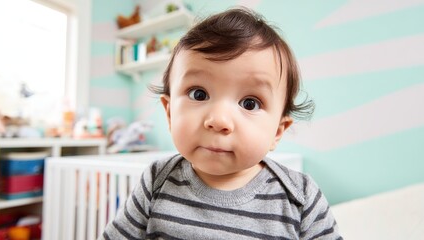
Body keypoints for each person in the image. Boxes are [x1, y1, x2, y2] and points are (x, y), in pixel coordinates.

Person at [100, 7, 342, 240]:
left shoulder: (300, 197)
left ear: (277, 132)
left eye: (250, 103)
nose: (218, 120)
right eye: (199, 94)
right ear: (170, 112)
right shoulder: (156, 181)